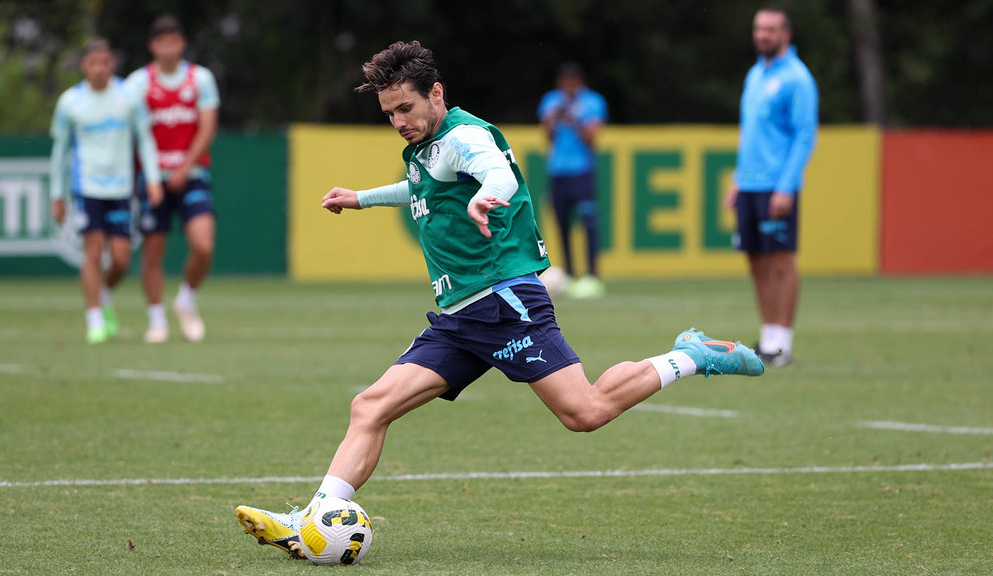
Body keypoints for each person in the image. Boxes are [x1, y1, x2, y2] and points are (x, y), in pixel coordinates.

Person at [234, 41, 764, 560]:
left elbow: (498, 172)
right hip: (460, 317)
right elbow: (422, 187)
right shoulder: (427, 147)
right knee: (369, 406)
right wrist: (363, 198)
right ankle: (314, 521)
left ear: (436, 93)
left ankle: (693, 354)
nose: (398, 120)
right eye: (389, 112)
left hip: (504, 302)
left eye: (406, 108)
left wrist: (489, 194)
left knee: (586, 412)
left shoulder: (465, 136)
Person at [49, 38, 163, 344]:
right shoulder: (70, 102)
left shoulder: (128, 97)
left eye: (104, 63)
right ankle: (95, 318)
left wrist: (152, 180)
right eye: (92, 63)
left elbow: (146, 139)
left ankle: (104, 293)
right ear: (84, 66)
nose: (99, 69)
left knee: (122, 259)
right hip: (86, 188)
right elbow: (60, 151)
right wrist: (57, 194)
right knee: (94, 250)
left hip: (122, 188)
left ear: (112, 64)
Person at [726, 7, 818, 366]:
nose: (763, 35)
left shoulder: (797, 78)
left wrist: (786, 186)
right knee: (756, 261)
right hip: (749, 184)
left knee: (781, 262)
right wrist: (738, 178)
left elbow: (804, 135)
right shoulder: (755, 74)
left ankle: (783, 343)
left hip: (776, 185)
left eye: (770, 29)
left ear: (786, 34)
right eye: (759, 28)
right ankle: (767, 338)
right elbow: (752, 135)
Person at [124, 14, 220, 344]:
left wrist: (183, 167)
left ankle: (185, 301)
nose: (168, 48)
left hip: (192, 175)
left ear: (183, 44)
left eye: (173, 41)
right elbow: (137, 133)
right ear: (152, 46)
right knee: (153, 252)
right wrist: (154, 177)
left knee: (203, 245)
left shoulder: (200, 79)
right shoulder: (137, 83)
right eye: (161, 42)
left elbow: (207, 128)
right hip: (152, 179)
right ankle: (156, 320)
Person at [537, 63, 608, 299]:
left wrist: (574, 119)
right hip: (558, 171)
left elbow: (592, 138)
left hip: (582, 171)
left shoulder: (593, 102)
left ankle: (592, 275)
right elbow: (547, 135)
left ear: (579, 82)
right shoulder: (551, 100)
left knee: (589, 223)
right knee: (562, 224)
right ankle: (568, 274)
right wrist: (554, 118)